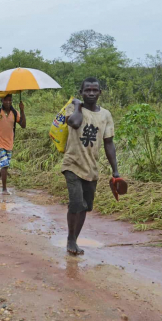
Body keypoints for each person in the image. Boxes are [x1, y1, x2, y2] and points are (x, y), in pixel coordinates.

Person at [62, 77, 119, 255]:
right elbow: (75, 122)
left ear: (100, 92)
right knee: (76, 203)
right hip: (72, 164)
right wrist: (78, 106)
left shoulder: (105, 115)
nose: (91, 93)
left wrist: (115, 170)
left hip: (91, 168)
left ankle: (75, 239)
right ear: (81, 92)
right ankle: (70, 240)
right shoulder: (72, 108)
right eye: (87, 90)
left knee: (85, 206)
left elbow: (109, 143)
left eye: (95, 90)